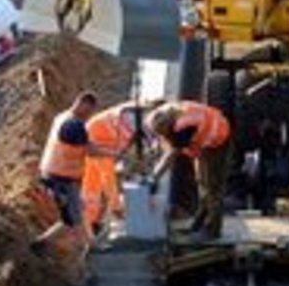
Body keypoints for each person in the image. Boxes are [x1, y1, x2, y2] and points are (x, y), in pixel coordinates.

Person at [31, 91, 121, 260]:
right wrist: (114, 153)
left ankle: (42, 243)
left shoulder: (63, 117)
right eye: (89, 111)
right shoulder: (73, 125)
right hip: (61, 178)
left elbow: (86, 143)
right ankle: (84, 254)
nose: (89, 116)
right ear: (82, 104)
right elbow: (90, 150)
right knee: (75, 219)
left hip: (55, 175)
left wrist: (109, 151)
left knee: (74, 216)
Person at [146, 100, 231, 239]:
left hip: (217, 139)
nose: (162, 136)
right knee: (201, 183)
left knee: (211, 187)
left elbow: (171, 155)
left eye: (162, 133)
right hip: (207, 137)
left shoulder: (183, 127)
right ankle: (198, 225)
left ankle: (213, 230)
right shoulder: (174, 113)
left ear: (167, 126)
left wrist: (155, 177)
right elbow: (169, 144)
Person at [82, 100, 144, 240]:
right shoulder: (130, 121)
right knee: (100, 183)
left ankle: (93, 222)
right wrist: (117, 207)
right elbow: (108, 177)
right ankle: (92, 225)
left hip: (100, 135)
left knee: (94, 184)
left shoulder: (130, 117)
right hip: (100, 139)